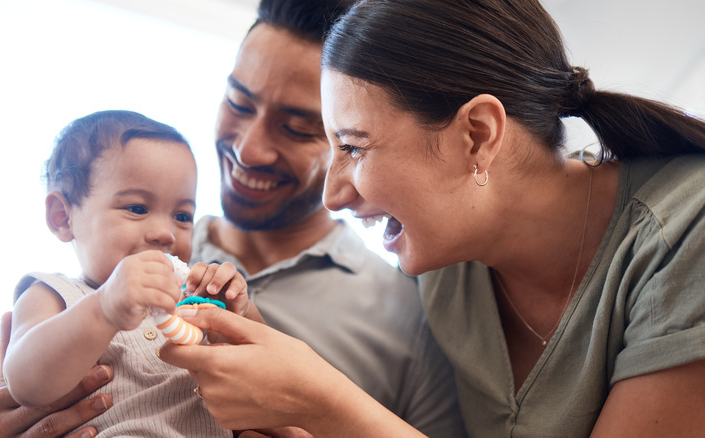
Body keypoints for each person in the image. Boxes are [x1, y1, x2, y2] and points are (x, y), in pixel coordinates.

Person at [156, 0, 705, 436]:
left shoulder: (686, 233)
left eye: (354, 147)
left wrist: (323, 402)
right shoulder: (445, 272)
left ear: (478, 135)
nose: (333, 196)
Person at [0, 1, 466, 437]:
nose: (248, 149)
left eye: (297, 128)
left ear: (348, 141)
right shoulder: (88, 283)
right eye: (238, 103)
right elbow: (28, 383)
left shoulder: (411, 313)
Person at [2, 110, 259, 437]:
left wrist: (239, 313)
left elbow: (272, 370)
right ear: (63, 217)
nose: (166, 233)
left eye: (182, 216)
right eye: (137, 208)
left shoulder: (193, 301)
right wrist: (104, 308)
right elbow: (26, 383)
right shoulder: (53, 294)